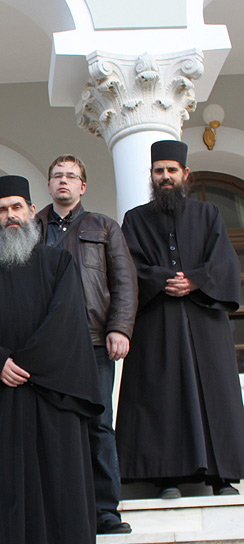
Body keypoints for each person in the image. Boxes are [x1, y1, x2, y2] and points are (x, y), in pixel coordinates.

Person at [0, 175, 102, 544]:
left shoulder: (59, 262)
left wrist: (22, 364)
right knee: (8, 490)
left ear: (32, 212)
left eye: (16, 207)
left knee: (61, 487)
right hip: (2, 399)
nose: (10, 216)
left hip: (54, 397)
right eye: (1, 210)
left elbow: (66, 320)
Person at [117, 139, 244, 499]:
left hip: (204, 319)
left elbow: (224, 261)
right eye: (159, 171)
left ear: (185, 173)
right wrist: (163, 279)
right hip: (157, 320)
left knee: (214, 393)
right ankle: (165, 477)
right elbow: (128, 266)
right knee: (160, 394)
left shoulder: (209, 214)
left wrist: (195, 280)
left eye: (171, 170)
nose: (165, 176)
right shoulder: (135, 219)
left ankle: (222, 477)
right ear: (151, 175)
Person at [36, 154, 137, 534]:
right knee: (52, 427)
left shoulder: (104, 226)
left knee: (98, 424)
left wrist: (120, 328)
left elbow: (124, 281)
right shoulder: (32, 227)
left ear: (83, 186)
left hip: (93, 341)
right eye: (57, 175)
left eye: (71, 176)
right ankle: (60, 511)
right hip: (46, 346)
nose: (63, 181)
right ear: (49, 184)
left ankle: (105, 510)